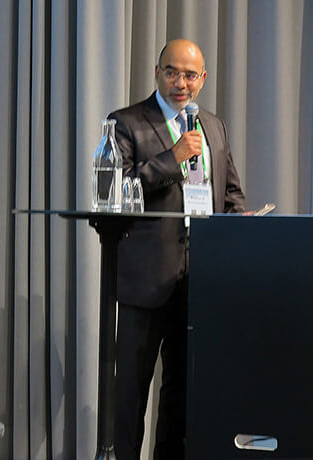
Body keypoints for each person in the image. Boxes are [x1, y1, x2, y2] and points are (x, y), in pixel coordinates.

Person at [109, 39, 246, 459]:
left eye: (190, 75)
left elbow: (230, 192)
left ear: (202, 79)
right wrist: (173, 157)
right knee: (132, 392)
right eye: (172, 72)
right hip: (146, 278)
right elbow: (117, 190)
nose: (180, 83)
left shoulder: (214, 126)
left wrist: (241, 220)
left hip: (200, 278)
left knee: (182, 392)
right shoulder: (127, 122)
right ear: (157, 72)